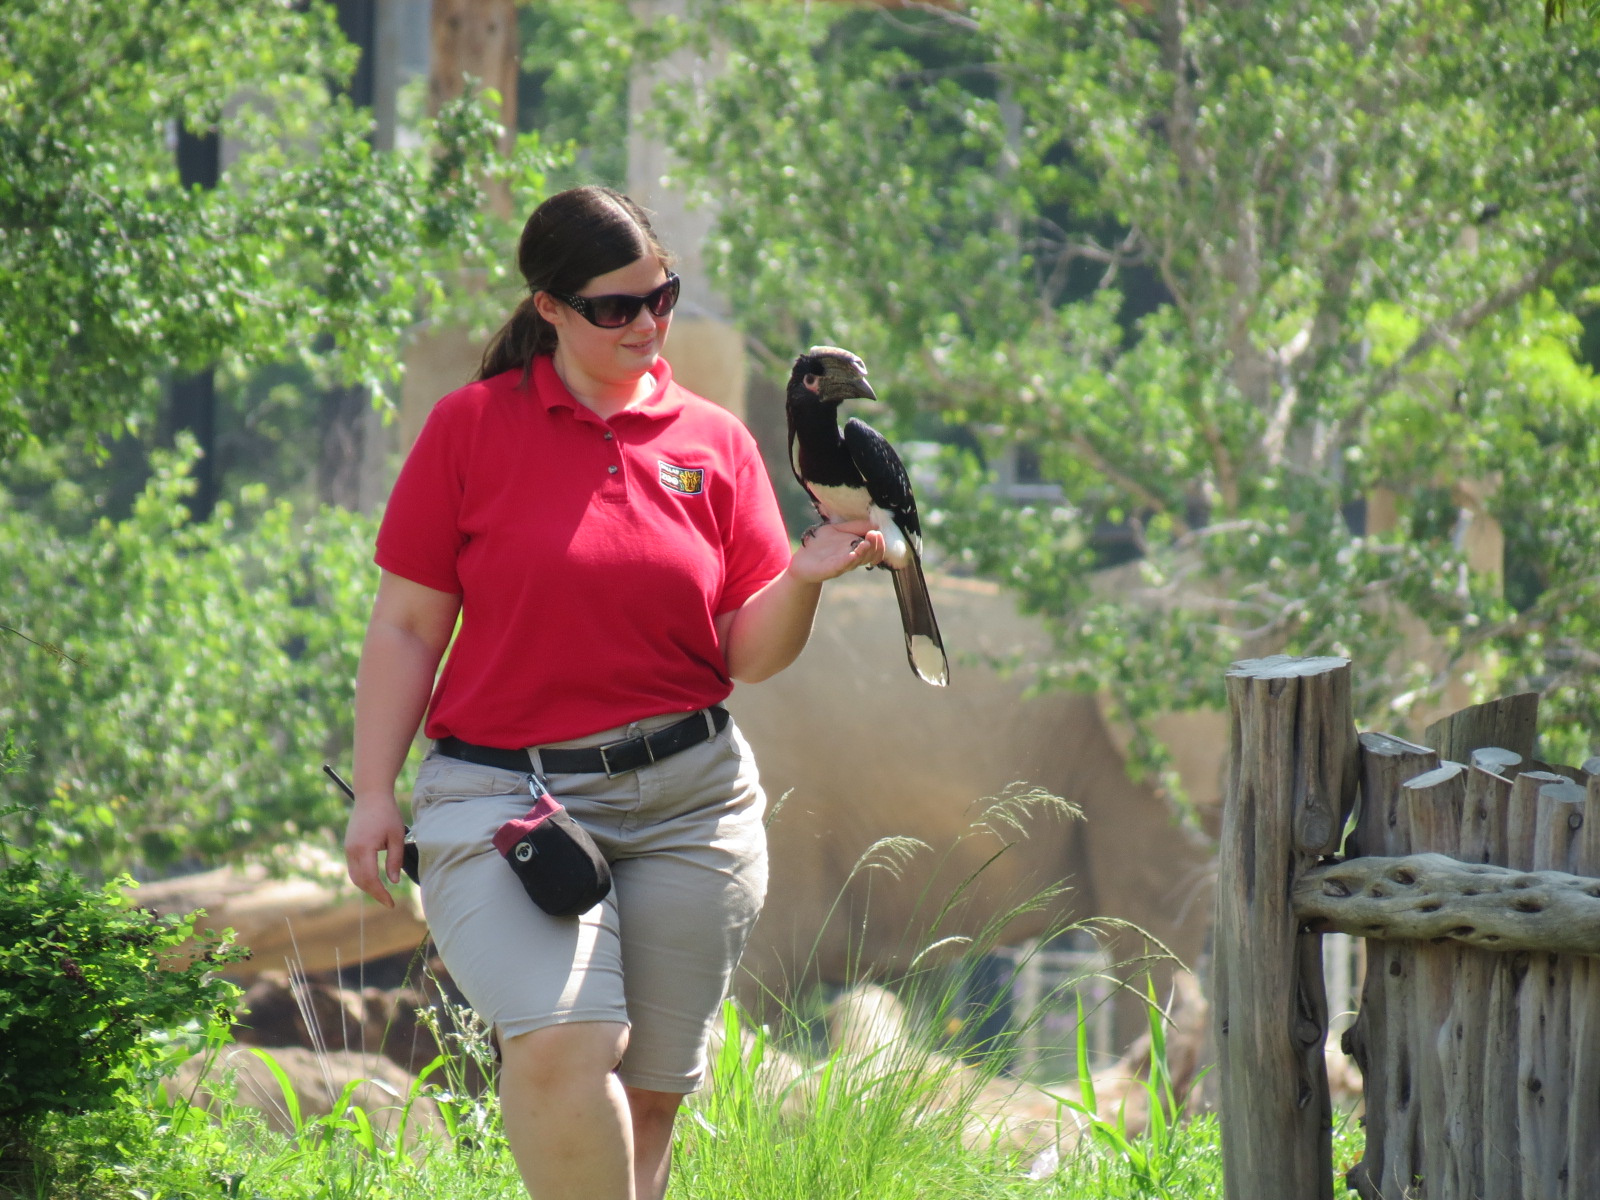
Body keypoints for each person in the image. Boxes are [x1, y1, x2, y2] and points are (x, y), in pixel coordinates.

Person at [342, 185, 883, 1200]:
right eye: (615, 307)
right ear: (548, 306)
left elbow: (745, 654)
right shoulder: (470, 430)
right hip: (505, 800)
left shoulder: (714, 442)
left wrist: (805, 579)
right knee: (559, 1044)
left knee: (651, 1094)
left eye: (661, 296)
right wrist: (377, 791)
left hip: (689, 799)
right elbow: (409, 625)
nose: (647, 323)